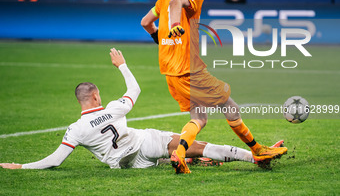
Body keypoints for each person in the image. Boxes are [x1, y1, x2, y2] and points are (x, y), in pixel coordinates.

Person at [0, 48, 281, 171]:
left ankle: (180, 159)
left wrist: (22, 165)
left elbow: (55, 160)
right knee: (198, 145)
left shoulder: (75, 129)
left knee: (168, 156)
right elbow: (134, 91)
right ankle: (254, 157)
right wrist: (121, 65)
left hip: (124, 165)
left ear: (80, 101)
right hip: (143, 143)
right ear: (96, 96)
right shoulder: (112, 109)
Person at [140, 0, 287, 174]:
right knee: (230, 107)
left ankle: (179, 154)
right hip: (189, 70)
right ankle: (258, 150)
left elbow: (146, 22)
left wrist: (159, 38)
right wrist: (173, 26)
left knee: (199, 118)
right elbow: (176, 3)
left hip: (170, 72)